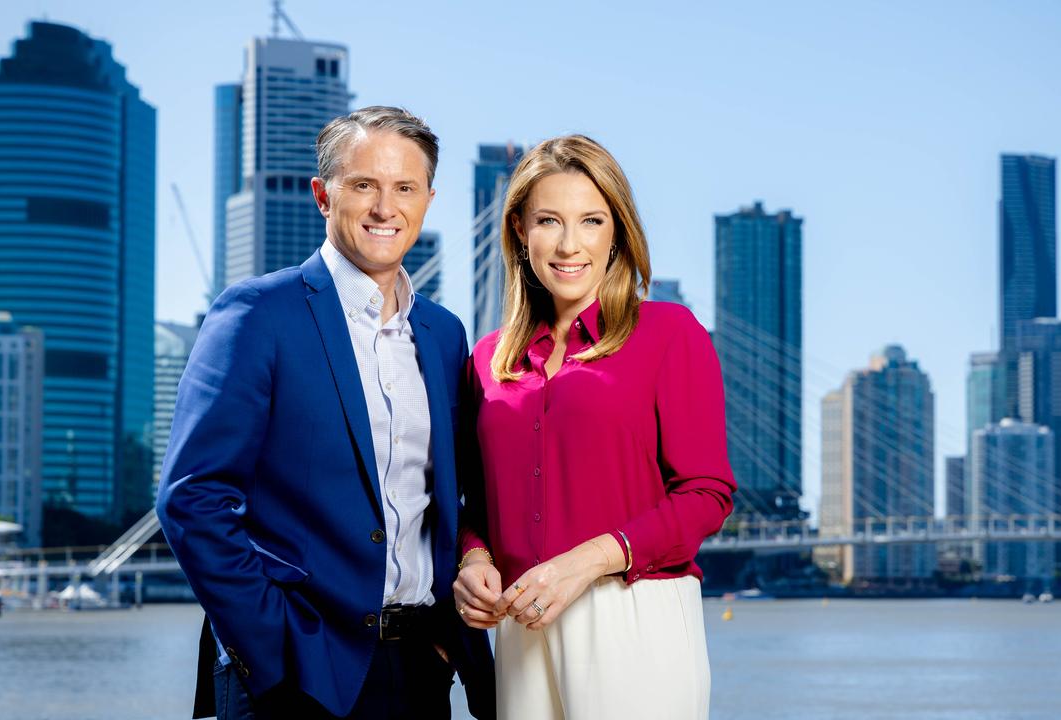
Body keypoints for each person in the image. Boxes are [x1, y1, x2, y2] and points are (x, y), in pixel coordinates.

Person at [158, 106, 494, 720]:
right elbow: (192, 499)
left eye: (405, 188)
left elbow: (453, 497)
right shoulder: (259, 315)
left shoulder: (444, 335)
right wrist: (272, 648)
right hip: (298, 674)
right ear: (322, 195)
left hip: (421, 669)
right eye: (364, 185)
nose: (384, 208)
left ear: (428, 200)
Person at [453, 135, 736, 719]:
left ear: (617, 233)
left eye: (591, 220)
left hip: (632, 616)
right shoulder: (487, 361)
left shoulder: (668, 333)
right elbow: (475, 503)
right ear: (518, 232)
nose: (569, 244)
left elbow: (707, 494)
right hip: (521, 625)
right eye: (549, 221)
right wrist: (474, 560)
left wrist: (589, 560)